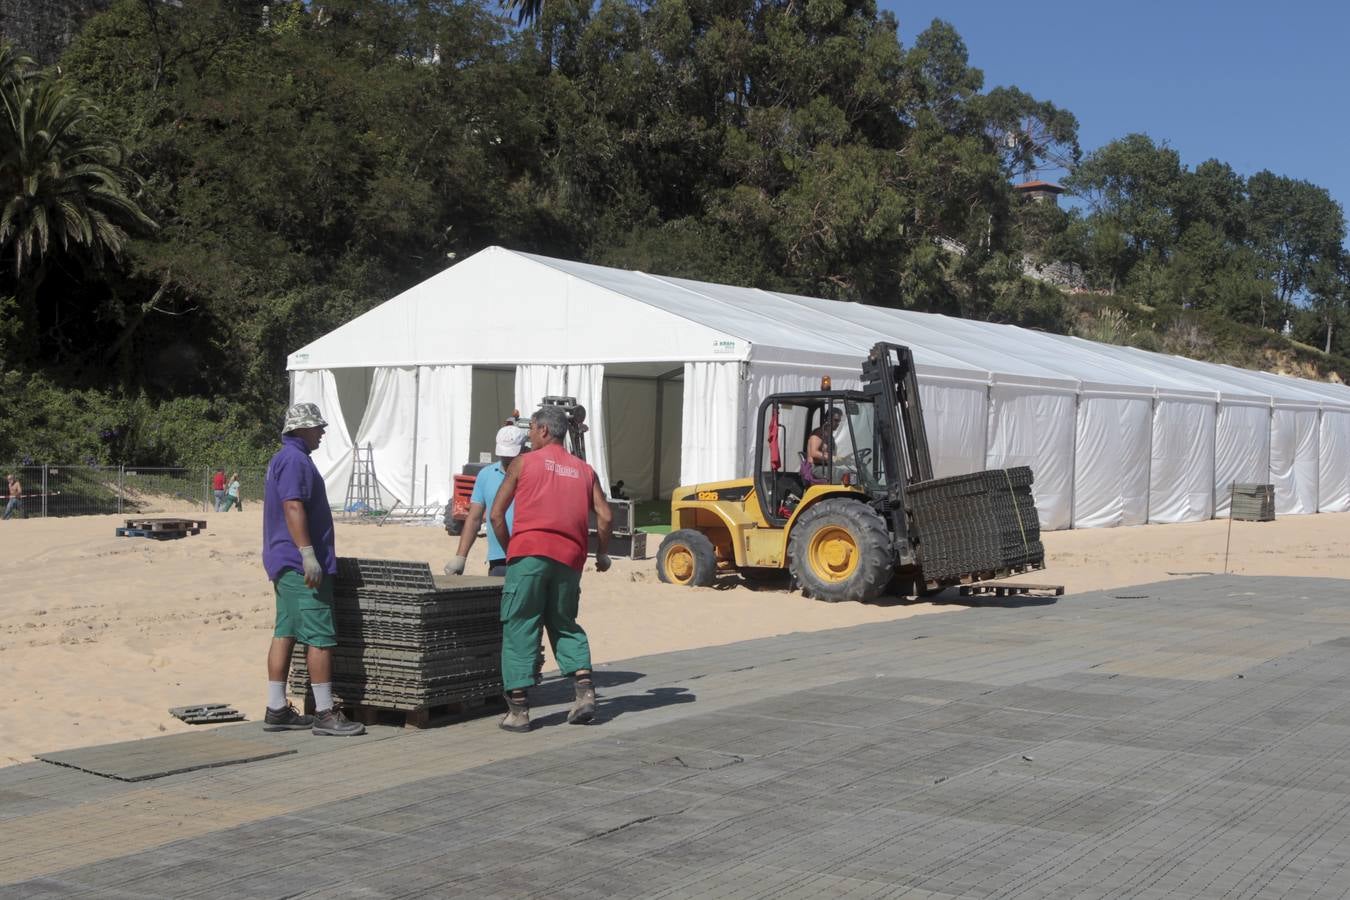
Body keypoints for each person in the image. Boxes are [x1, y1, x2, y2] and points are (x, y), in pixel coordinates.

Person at [489, 405, 612, 733]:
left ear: (544, 430)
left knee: (520, 625)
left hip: (528, 555)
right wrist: (601, 554)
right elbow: (606, 516)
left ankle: (518, 711)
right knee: (564, 623)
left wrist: (511, 550)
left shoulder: (523, 463)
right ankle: (584, 692)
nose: (528, 435)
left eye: (530, 429)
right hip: (569, 559)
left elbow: (497, 515)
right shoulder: (584, 470)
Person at [261, 402, 364, 737]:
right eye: (317, 427)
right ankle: (324, 713)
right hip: (299, 564)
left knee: (286, 631)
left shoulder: (283, 458)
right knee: (319, 635)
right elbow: (293, 504)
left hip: (283, 562)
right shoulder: (295, 460)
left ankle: (277, 708)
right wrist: (308, 553)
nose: (322, 432)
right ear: (301, 429)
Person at [446, 423, 526, 577]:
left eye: (512, 455)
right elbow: (474, 518)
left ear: (523, 449)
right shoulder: (486, 475)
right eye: (504, 454)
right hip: (498, 558)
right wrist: (460, 557)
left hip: (527, 557)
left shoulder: (531, 474)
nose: (507, 459)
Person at [806, 408, 844, 483]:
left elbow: (831, 456)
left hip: (825, 467)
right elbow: (813, 452)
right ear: (828, 419)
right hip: (815, 468)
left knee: (852, 473)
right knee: (846, 474)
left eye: (839, 421)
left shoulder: (830, 436)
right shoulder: (818, 433)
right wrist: (833, 458)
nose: (838, 423)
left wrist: (844, 460)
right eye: (836, 420)